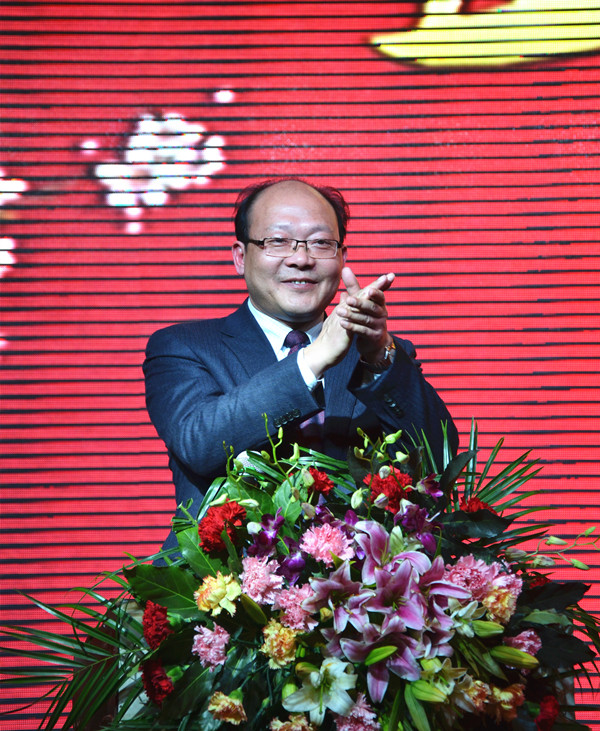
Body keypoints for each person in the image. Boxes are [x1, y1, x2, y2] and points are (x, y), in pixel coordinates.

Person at [143, 177, 458, 552]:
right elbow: (200, 443)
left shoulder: (381, 353)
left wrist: (379, 356)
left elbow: (441, 462)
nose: (301, 259)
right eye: (278, 241)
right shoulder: (185, 347)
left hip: (361, 579)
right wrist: (310, 361)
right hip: (219, 580)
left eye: (321, 243)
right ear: (240, 257)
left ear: (342, 257)